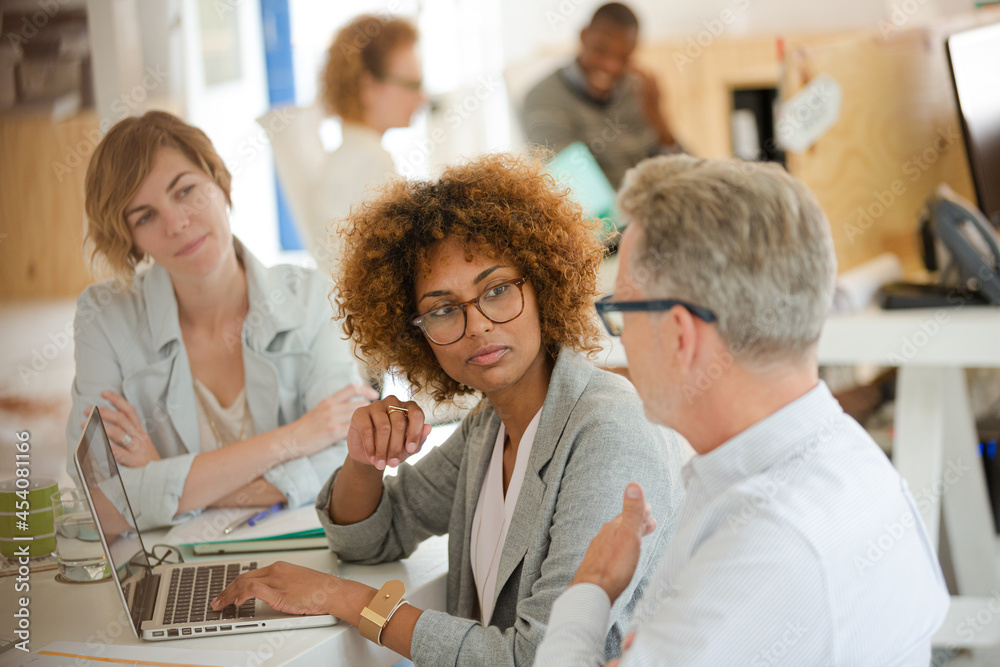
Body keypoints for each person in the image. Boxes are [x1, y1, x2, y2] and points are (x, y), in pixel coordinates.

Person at [211, 153, 688, 666]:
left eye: (497, 291)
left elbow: (536, 658)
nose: (478, 324)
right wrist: (363, 456)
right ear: (417, 336)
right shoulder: (490, 427)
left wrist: (341, 599)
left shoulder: (606, 431)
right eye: (443, 310)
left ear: (544, 284)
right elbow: (371, 536)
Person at [534, 155, 950, 665]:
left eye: (622, 313)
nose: (621, 342)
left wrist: (592, 587)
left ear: (680, 335)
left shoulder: (767, 545)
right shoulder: (855, 463)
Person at [65, 111, 378, 530]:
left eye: (185, 191)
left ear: (219, 180)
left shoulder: (309, 300)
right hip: (173, 562)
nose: (176, 223)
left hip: (299, 557)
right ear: (131, 240)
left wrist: (168, 480)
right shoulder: (104, 316)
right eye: (145, 216)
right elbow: (101, 498)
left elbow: (349, 464)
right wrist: (297, 437)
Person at [267, 14, 426, 275]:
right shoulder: (368, 162)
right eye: (412, 84)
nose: (421, 96)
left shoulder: (351, 157)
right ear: (368, 87)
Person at [521, 3, 678, 190]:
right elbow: (568, 186)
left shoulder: (637, 92)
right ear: (583, 36)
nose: (611, 66)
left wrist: (658, 118)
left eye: (623, 57)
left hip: (650, 209)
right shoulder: (544, 97)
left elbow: (682, 171)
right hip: (598, 215)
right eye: (600, 50)